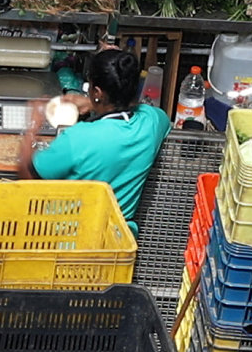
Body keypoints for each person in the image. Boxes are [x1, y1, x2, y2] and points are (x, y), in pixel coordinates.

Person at [32, 47, 170, 227]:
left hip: (67, 238)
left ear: (97, 92)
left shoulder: (79, 137)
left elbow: (34, 172)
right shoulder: (151, 124)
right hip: (116, 239)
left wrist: (33, 125)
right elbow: (153, 113)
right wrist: (94, 103)